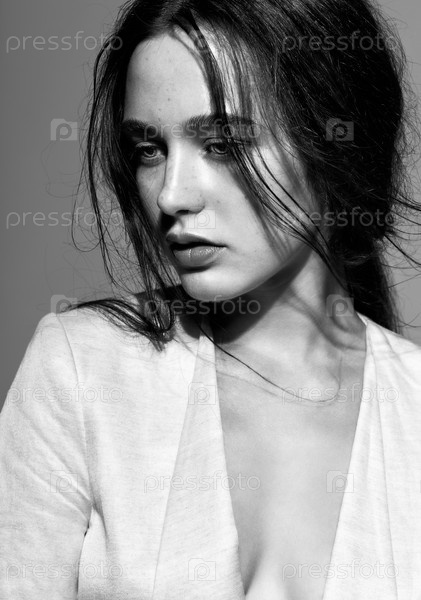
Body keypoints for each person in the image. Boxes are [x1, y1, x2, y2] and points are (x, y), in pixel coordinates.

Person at [1, 0, 421, 598]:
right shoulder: (83, 370)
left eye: (222, 143)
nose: (171, 195)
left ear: (334, 143)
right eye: (149, 149)